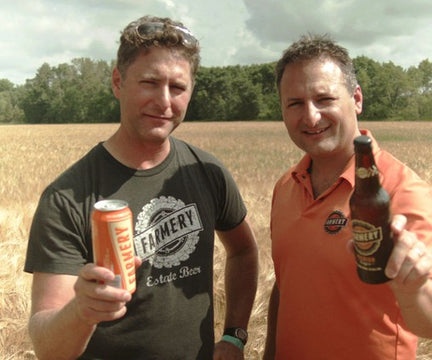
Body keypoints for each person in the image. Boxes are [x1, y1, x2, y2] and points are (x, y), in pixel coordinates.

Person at [24, 15, 258, 360]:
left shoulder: (207, 171)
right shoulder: (67, 198)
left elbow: (243, 251)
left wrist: (235, 336)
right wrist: (82, 311)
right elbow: (47, 347)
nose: (164, 102)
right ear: (118, 82)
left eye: (177, 87)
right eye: (150, 82)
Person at [263, 34, 432, 360]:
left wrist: (414, 288)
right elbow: (286, 285)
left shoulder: (399, 189)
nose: (310, 117)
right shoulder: (286, 186)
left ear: (356, 99)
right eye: (295, 103)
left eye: (324, 99)